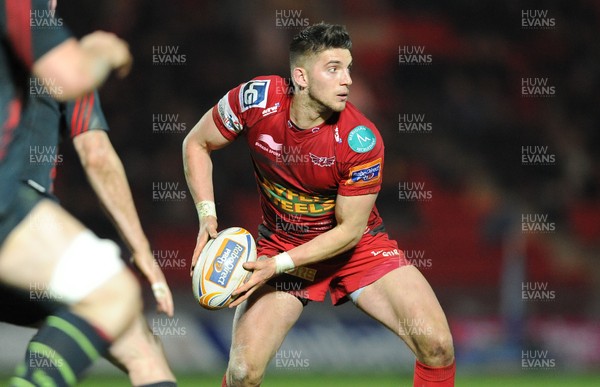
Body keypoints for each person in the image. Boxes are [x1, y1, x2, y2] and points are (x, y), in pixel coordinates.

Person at [183, 23, 456, 386]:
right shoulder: (256, 99)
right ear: (301, 76)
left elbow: (349, 231)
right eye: (333, 68)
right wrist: (206, 217)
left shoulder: (361, 141)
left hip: (356, 248)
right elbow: (196, 143)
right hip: (284, 243)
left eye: (349, 68)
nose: (347, 80)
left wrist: (277, 264)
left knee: (437, 346)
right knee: (242, 373)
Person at [0, 0, 144, 385]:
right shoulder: (27, 15)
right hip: (13, 210)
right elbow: (74, 78)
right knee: (115, 297)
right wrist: (104, 49)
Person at [2, 87, 177, 386]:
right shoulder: (61, 60)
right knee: (136, 339)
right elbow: (96, 153)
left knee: (138, 344)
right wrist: (142, 250)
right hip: (19, 227)